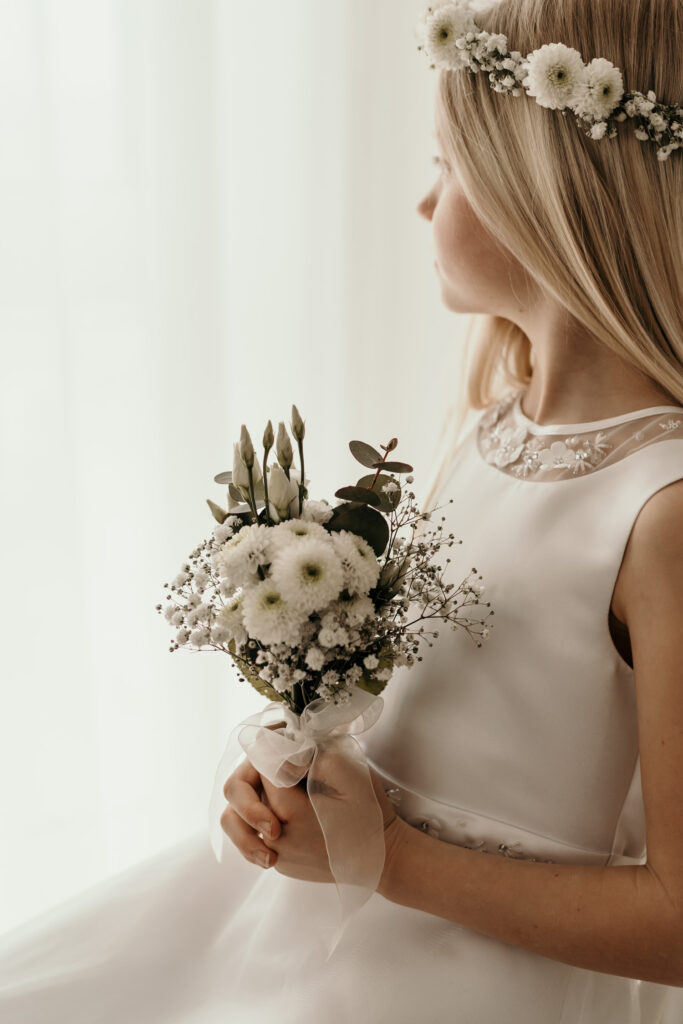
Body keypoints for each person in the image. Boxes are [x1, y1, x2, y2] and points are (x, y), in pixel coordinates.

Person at [1, 0, 682, 1021]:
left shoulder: (656, 510)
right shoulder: (493, 432)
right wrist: (296, 776)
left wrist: (384, 859)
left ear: (542, 191)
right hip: (324, 937)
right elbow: (432, 727)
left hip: (455, 987)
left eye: (446, 166)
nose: (421, 202)